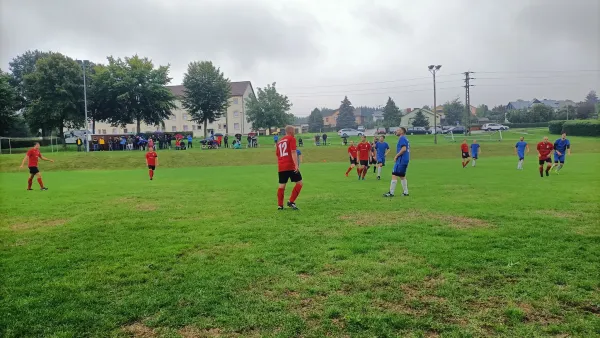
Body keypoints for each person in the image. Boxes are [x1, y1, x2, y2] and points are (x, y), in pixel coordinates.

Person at [276, 125, 303, 210]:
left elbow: (278, 154)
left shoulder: (279, 142)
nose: (295, 132)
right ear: (291, 131)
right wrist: (296, 165)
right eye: (294, 131)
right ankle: (291, 201)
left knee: (281, 186)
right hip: (290, 166)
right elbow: (293, 151)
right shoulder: (291, 138)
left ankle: (280, 205)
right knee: (299, 183)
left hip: (281, 166)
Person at [384, 127, 410, 197]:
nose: (396, 131)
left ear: (402, 132)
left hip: (401, 159)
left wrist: (396, 156)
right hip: (405, 159)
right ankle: (406, 192)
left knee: (394, 174)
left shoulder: (402, 138)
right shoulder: (405, 139)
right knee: (402, 176)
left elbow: (404, 149)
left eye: (398, 130)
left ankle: (391, 193)